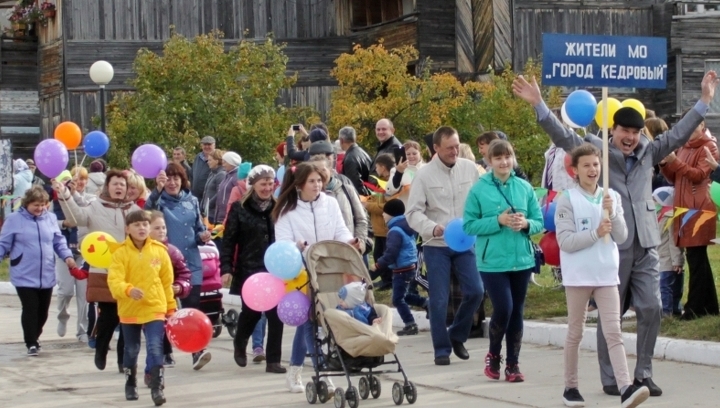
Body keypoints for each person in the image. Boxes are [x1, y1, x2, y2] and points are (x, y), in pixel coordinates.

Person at [512, 70, 719, 396]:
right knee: (613, 315)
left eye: (636, 132)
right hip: (611, 244)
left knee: (651, 307)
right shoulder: (596, 151)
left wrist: (705, 99)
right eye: (625, 130)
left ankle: (644, 373)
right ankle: (610, 378)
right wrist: (538, 104)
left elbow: (679, 134)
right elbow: (564, 137)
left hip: (646, 242)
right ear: (614, 130)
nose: (631, 137)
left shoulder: (650, 150)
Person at [554, 143, 650, 408]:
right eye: (586, 165)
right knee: (576, 332)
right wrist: (595, 232)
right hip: (578, 276)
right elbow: (565, 241)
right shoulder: (568, 199)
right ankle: (570, 387)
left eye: (596, 164)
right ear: (575, 170)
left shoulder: (612, 197)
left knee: (614, 332)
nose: (592, 169)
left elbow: (622, 236)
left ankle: (625, 387)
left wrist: (614, 215)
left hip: (607, 274)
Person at [272, 162, 360, 393]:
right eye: (312, 181)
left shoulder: (330, 203)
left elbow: (340, 230)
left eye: (319, 180)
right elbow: (281, 241)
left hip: (328, 268)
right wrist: (296, 245)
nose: (317, 185)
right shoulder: (287, 211)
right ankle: (322, 372)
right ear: (299, 184)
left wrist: (349, 241)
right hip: (299, 270)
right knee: (310, 319)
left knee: (321, 317)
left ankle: (297, 370)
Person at [462, 139, 542, 382]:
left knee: (516, 311)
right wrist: (497, 221)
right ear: (489, 161)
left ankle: (513, 364)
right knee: (504, 307)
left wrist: (526, 223)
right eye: (497, 158)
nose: (503, 162)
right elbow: (468, 225)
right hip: (492, 261)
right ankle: (494, 354)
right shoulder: (479, 189)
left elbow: (539, 221)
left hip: (522, 259)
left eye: (507, 157)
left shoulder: (524, 188)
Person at [406, 126, 483, 366]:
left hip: (465, 243)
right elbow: (412, 213)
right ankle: (441, 348)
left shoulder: (470, 169)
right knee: (439, 299)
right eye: (449, 147)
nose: (454, 151)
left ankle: (457, 335)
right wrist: (431, 227)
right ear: (436, 148)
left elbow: (481, 200)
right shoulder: (424, 175)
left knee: (476, 291)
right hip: (436, 244)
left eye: (457, 146)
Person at [54, 170, 141, 372]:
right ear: (107, 187)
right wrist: (65, 195)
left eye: (122, 184)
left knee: (127, 320)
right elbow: (76, 218)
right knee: (109, 317)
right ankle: (101, 349)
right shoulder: (95, 206)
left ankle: (124, 362)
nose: (119, 187)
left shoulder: (134, 209)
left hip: (131, 273)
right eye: (115, 184)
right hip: (104, 271)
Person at [147, 163, 213, 370]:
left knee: (191, 309)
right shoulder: (158, 202)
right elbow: (145, 215)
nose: (172, 182)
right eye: (168, 178)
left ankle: (197, 351)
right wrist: (156, 191)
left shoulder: (192, 200)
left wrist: (203, 236)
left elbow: (199, 228)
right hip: (163, 264)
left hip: (191, 263)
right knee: (167, 310)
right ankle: (166, 351)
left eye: (176, 178)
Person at [221, 165, 286, 374]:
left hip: (275, 269)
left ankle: (273, 360)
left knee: (276, 315)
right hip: (250, 268)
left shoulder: (279, 207)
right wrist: (226, 268)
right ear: (253, 185)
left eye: (270, 183)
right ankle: (240, 342)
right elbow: (229, 240)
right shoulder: (240, 208)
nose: (267, 188)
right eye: (263, 183)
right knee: (252, 312)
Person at [107, 210, 176, 405]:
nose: (142, 228)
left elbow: (166, 282)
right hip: (130, 309)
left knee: (155, 347)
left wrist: (170, 308)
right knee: (131, 349)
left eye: (145, 224)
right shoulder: (120, 253)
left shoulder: (160, 251)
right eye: (137, 225)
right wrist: (128, 290)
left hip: (155, 307)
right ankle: (130, 383)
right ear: (127, 229)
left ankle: (157, 388)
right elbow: (114, 281)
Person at [0, 186, 77, 356]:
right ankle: (31, 342)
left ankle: (35, 336)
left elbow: (58, 241)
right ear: (27, 204)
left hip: (46, 273)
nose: (40, 208)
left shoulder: (50, 218)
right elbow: (3, 244)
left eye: (43, 205)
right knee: (30, 308)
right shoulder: (14, 220)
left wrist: (67, 256)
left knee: (43, 311)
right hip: (24, 272)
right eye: (36, 205)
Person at [660, 113, 719, 320]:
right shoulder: (684, 146)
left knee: (696, 257)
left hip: (699, 208)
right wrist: (665, 164)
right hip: (684, 207)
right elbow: (674, 178)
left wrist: (675, 161)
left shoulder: (708, 146)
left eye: (693, 125)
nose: (689, 129)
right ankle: (708, 305)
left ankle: (695, 307)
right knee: (696, 259)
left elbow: (699, 175)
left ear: (702, 124)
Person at [145, 211, 192, 383]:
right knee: (150, 341)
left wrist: (179, 287)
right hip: (143, 303)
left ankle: (153, 372)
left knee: (156, 340)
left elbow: (185, 274)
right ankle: (149, 369)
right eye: (156, 228)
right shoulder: (139, 252)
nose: (161, 231)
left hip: (166, 302)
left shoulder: (171, 251)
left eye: (163, 227)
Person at [373, 198, 426, 336]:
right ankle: (426, 303)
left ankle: (410, 324)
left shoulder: (395, 231)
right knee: (405, 295)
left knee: (397, 299)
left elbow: (391, 253)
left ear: (391, 214)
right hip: (409, 266)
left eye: (385, 213)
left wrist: (378, 265)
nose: (383, 215)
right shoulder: (405, 225)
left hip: (402, 269)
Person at [307, 140, 369, 255]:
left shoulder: (346, 189)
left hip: (348, 252)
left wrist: (358, 245)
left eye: (323, 170)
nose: (319, 174)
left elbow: (361, 219)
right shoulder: (307, 196)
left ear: (330, 170)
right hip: (319, 256)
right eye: (315, 171)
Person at [52, 170, 87, 342]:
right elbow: (49, 222)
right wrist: (63, 223)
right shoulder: (53, 203)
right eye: (64, 182)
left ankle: (82, 331)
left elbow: (86, 212)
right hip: (63, 251)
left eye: (80, 180)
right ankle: (62, 316)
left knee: (83, 294)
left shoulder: (87, 199)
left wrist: (74, 195)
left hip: (84, 252)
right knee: (65, 291)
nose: (74, 183)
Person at [364, 154, 396, 291]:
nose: (375, 169)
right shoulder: (379, 181)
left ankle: (388, 280)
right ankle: (385, 279)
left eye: (377, 166)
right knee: (378, 254)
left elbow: (387, 206)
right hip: (379, 228)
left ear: (383, 167)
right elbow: (375, 199)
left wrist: (367, 205)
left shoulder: (390, 183)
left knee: (383, 255)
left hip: (385, 227)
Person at [652, 187, 685, 317]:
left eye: (655, 200)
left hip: (669, 259)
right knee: (669, 286)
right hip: (660, 258)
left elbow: (674, 241)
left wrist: (677, 261)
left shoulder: (670, 217)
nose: (653, 202)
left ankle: (667, 313)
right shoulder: (659, 215)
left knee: (666, 287)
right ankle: (673, 310)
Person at [386, 140, 426, 205]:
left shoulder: (427, 168)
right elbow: (390, 190)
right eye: (408, 154)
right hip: (406, 208)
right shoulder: (395, 170)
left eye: (414, 153)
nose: (411, 156)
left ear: (420, 153)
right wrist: (398, 172)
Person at [339, 126, 372, 196]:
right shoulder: (363, 152)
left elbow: (355, 186)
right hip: (370, 194)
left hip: (363, 199)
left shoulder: (350, 159)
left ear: (341, 140)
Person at [201, 149, 226, 223]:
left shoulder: (221, 174)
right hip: (207, 212)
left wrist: (208, 205)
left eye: (210, 160)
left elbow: (219, 194)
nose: (208, 162)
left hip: (213, 214)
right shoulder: (212, 173)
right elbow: (206, 191)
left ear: (217, 161)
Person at [191, 135, 216, 203]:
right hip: (195, 195)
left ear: (214, 145)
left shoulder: (216, 158)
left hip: (208, 197)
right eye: (205, 144)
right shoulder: (198, 157)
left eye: (209, 144)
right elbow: (192, 173)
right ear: (201, 145)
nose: (207, 147)